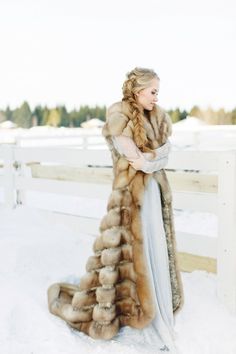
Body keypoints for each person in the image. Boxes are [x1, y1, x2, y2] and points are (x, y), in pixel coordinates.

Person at [47, 67, 184, 353]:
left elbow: (165, 152)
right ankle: (132, 309)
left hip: (154, 192)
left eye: (158, 91)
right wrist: (152, 159)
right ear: (138, 90)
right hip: (131, 197)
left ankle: (157, 307)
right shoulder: (119, 114)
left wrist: (152, 160)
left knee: (156, 248)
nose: (157, 97)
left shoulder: (158, 117)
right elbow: (133, 157)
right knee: (131, 254)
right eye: (153, 91)